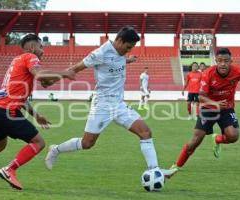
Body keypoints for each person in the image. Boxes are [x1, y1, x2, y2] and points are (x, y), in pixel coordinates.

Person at [45, 26, 173, 176]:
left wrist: (128, 61)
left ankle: (155, 170)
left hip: (119, 105)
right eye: (128, 47)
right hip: (102, 105)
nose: (128, 51)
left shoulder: (121, 53)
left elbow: (117, 61)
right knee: (87, 143)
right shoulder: (100, 53)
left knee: (145, 132)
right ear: (119, 40)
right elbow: (75, 68)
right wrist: (51, 80)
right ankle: (56, 149)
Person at [0, 34, 75, 190]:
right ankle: (9, 169)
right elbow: (41, 76)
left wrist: (36, 115)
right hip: (7, 111)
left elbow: (33, 87)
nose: (43, 51)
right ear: (33, 47)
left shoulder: (17, 61)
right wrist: (65, 73)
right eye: (41, 47)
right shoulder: (30, 57)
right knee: (39, 142)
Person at [166, 48, 240, 178]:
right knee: (196, 140)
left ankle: (217, 139)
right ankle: (175, 166)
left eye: (226, 61)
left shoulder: (237, 71)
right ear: (216, 61)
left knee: (233, 136)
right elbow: (200, 97)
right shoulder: (208, 74)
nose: (223, 64)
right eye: (220, 61)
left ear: (231, 61)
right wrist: (215, 104)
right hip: (208, 107)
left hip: (226, 107)